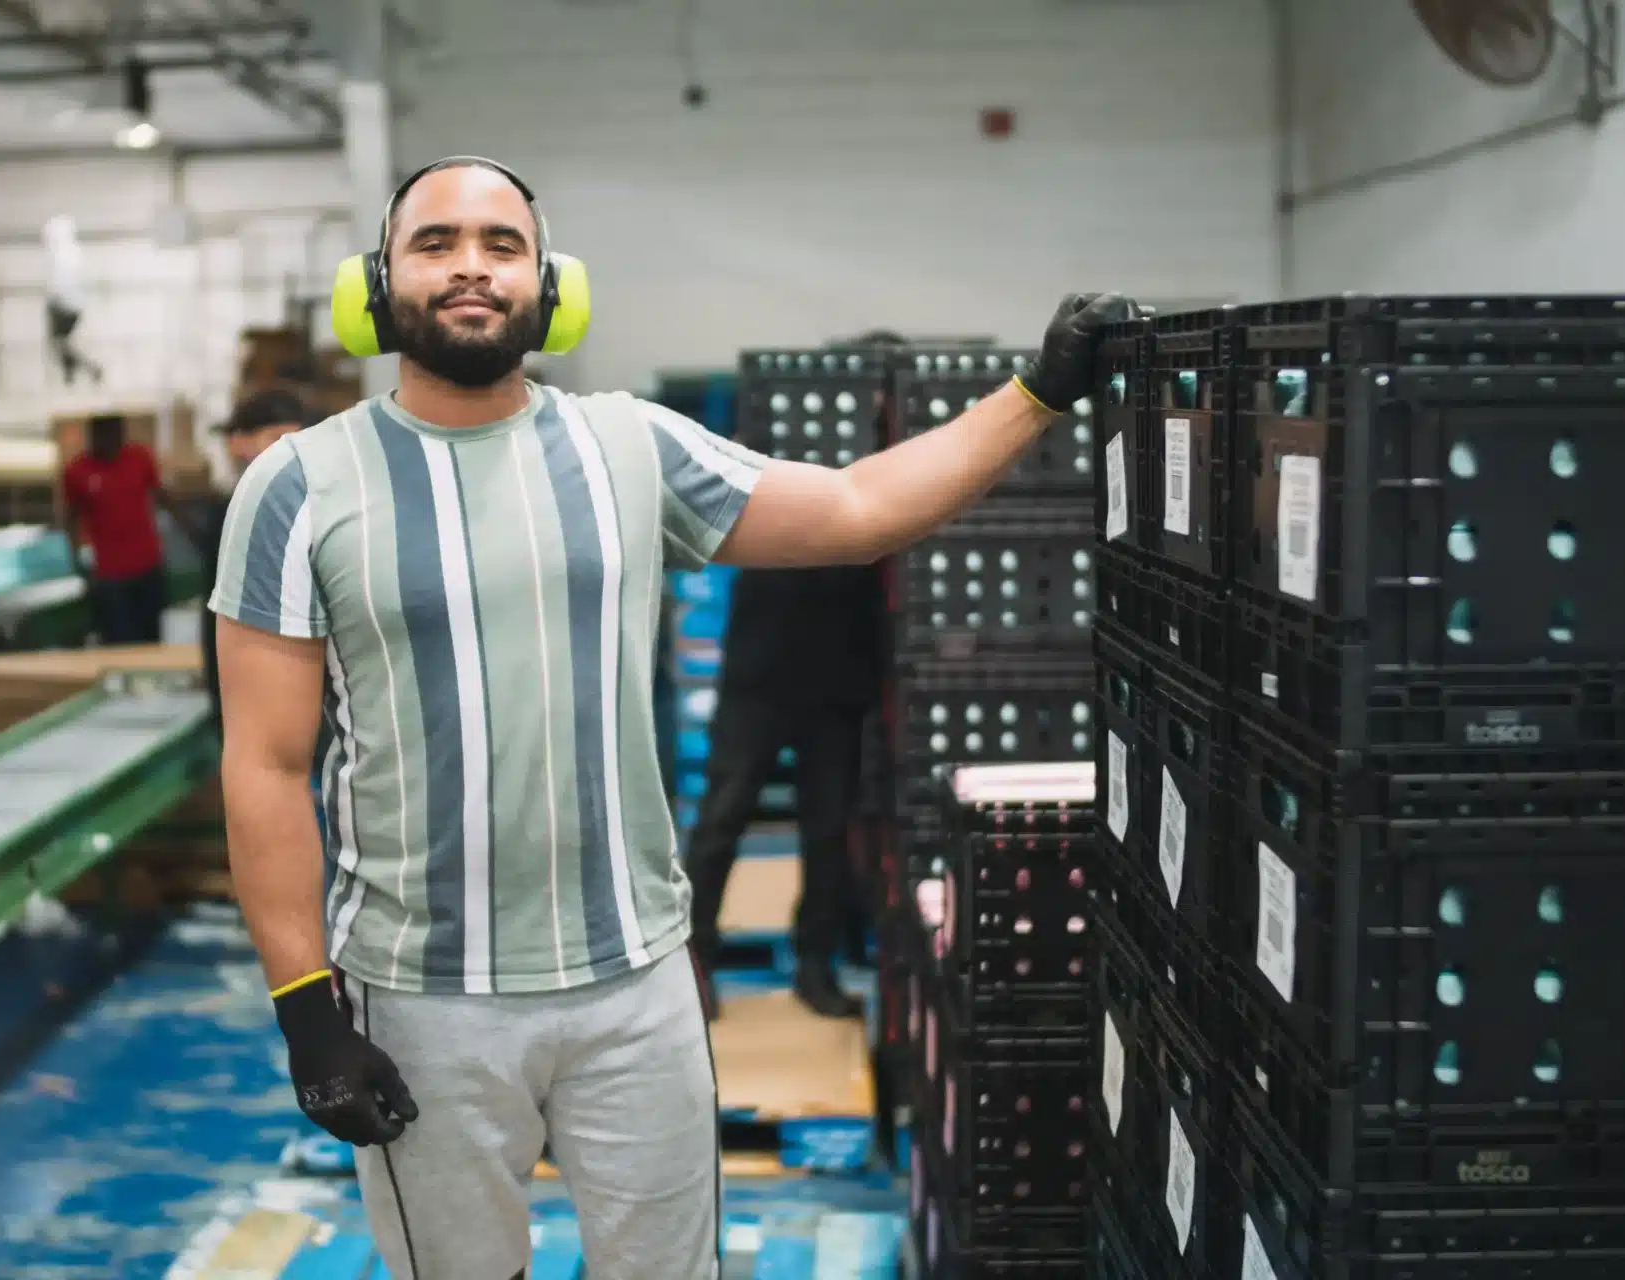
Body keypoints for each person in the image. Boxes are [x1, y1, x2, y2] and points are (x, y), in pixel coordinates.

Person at [209, 153, 1132, 1280]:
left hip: (635, 982)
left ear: (552, 288)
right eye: (436, 242)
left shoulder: (627, 446)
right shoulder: (299, 486)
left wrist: (1034, 392)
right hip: (421, 996)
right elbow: (263, 763)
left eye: (503, 246)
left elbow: (854, 507)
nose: (470, 267)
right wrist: (309, 1008)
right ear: (376, 282)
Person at [685, 563, 887, 1021]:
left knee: (829, 833)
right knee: (722, 819)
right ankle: (695, 967)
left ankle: (816, 968)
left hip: (839, 663)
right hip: (760, 663)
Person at [201, 389, 313, 727]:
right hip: (255, 686)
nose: (289, 452)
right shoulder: (235, 510)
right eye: (276, 438)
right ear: (239, 444)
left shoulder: (311, 504)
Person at [62, 413, 170, 644]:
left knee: (151, 639)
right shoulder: (77, 471)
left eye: (116, 433)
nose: (111, 440)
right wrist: (78, 561)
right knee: (119, 641)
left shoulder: (140, 458)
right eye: (105, 433)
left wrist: (196, 533)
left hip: (148, 566)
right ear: (94, 435)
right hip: (110, 575)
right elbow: (70, 519)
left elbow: (162, 497)